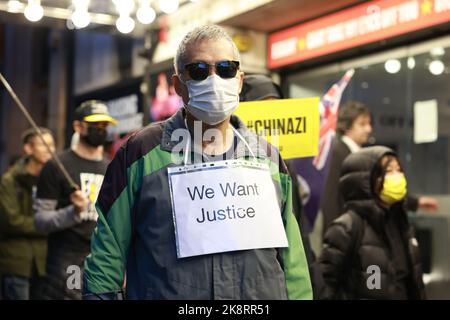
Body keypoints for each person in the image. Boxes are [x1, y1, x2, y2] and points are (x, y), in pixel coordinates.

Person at [83, 25, 312, 300]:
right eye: (199, 70)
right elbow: (106, 257)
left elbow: (293, 262)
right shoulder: (140, 154)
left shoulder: (268, 159)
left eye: (226, 69)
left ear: (239, 81)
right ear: (179, 84)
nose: (215, 80)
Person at [239, 74, 325, 299]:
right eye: (263, 109)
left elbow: (297, 226)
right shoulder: (230, 163)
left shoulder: (284, 165)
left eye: (276, 109)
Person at [318, 146, 426, 300]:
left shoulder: (402, 224)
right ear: (366, 180)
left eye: (399, 170)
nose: (398, 176)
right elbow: (325, 288)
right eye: (389, 171)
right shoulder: (346, 228)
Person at [34, 100, 117, 300]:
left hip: (101, 259)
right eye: (95, 125)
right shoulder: (56, 166)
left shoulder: (112, 169)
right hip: (64, 261)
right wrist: (74, 212)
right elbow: (40, 221)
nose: (101, 130)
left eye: (104, 126)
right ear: (78, 126)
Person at [321, 101, 438, 235]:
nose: (368, 129)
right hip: (348, 232)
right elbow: (331, 198)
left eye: (369, 123)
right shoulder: (338, 152)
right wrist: (335, 233)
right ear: (347, 126)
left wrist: (415, 202)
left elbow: (379, 191)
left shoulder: (358, 153)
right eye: (362, 124)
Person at [0, 127, 55, 300]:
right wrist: (47, 224)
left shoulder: (53, 179)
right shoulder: (10, 180)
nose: (50, 149)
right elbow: (12, 221)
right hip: (17, 263)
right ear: (28, 149)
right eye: (43, 145)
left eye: (52, 145)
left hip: (45, 263)